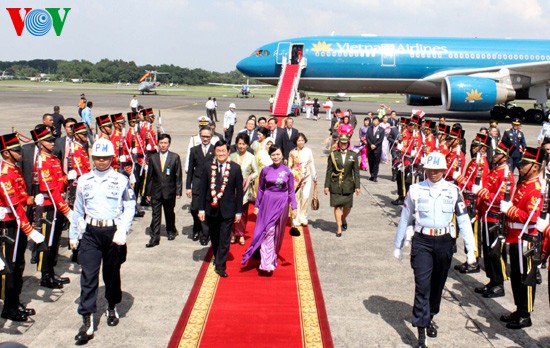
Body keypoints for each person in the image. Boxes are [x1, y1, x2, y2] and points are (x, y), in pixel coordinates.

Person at [393, 152, 477, 348]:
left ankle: (430, 315)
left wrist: (470, 249)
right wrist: (398, 245)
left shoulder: (453, 190)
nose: (433, 173)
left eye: (437, 170)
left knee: (437, 285)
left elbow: (464, 220)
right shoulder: (415, 189)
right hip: (422, 241)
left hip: (444, 241)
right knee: (422, 285)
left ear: (443, 171)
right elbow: (405, 217)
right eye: (430, 170)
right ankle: (421, 333)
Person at [70, 138, 136, 344]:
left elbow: (130, 207)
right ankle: (87, 320)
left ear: (111, 158)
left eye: (104, 158)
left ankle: (111, 305)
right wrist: (74, 235)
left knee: (111, 274)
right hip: (90, 232)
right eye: (97, 158)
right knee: (88, 275)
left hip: (113, 232)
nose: (100, 162)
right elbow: (78, 210)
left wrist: (123, 230)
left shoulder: (121, 180)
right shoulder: (84, 181)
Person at [0, 133, 45, 322]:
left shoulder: (15, 170)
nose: (20, 153)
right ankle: (9, 307)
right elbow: (13, 204)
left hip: (19, 222)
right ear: (6, 153)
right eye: (16, 150)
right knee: (10, 267)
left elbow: (20, 197)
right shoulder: (4, 173)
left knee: (19, 265)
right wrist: (29, 229)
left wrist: (32, 199)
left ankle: (14, 301)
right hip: (9, 225)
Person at [498, 147, 543, 329]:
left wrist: (510, 210)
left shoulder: (536, 188)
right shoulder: (524, 184)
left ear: (535, 166)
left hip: (526, 240)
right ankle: (519, 309)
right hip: (514, 237)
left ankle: (526, 314)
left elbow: (532, 217)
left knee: (526, 278)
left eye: (525, 164)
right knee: (516, 276)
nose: (520, 166)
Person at [242, 145, 297, 274]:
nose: (276, 157)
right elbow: (260, 189)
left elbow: (291, 191)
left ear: (282, 155)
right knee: (267, 231)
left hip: (281, 203)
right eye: (273, 155)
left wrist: (293, 207)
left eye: (278, 154)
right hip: (267, 203)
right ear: (270, 156)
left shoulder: (288, 171)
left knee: (277, 232)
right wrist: (257, 205)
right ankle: (266, 264)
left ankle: (272, 259)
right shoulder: (265, 170)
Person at [470, 141, 516, 298]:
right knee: (488, 251)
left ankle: (499, 283)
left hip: (495, 218)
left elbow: (501, 199)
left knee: (496, 253)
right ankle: (492, 280)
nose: (494, 156)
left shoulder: (506, 174)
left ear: (504, 157)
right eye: (495, 153)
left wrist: (482, 193)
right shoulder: (496, 170)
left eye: (498, 154)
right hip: (486, 215)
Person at [30, 125, 73, 289]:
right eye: (48, 140)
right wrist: (66, 210)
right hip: (49, 207)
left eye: (53, 139)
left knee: (54, 243)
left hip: (57, 205)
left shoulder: (53, 158)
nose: (53, 143)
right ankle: (45, 276)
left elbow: (58, 182)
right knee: (47, 243)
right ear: (40, 143)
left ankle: (51, 273)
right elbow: (51, 189)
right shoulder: (42, 161)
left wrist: (67, 178)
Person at [198, 141, 243, 278]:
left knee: (224, 238)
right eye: (218, 151)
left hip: (228, 210)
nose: (221, 154)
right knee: (215, 237)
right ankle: (217, 257)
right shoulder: (207, 167)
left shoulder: (235, 168)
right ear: (215, 152)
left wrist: (238, 211)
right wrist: (201, 209)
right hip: (211, 209)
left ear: (228, 152)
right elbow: (203, 189)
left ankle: (220, 265)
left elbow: (239, 192)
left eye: (223, 151)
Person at [144, 134, 182, 247]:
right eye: (161, 143)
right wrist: (148, 192)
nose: (163, 145)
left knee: (169, 212)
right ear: (158, 143)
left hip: (169, 191)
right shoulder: (153, 158)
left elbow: (178, 175)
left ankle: (171, 230)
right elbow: (150, 176)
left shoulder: (174, 157)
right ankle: (155, 237)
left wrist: (178, 191)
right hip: (156, 191)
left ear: (169, 144)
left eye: (165, 143)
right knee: (156, 214)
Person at [324, 135, 361, 237]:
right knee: (337, 206)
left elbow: (356, 173)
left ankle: (343, 218)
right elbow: (329, 171)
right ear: (339, 143)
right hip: (335, 184)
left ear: (348, 144)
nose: (343, 145)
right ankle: (339, 227)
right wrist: (326, 185)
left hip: (348, 184)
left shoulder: (353, 155)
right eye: (342, 143)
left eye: (345, 143)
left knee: (347, 207)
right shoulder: (333, 155)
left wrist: (357, 186)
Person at [186, 126, 216, 245]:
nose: (205, 138)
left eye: (207, 136)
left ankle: (205, 234)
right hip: (197, 183)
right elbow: (190, 169)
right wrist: (188, 186)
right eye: (203, 136)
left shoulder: (215, 150)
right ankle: (196, 228)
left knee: (206, 210)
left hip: (210, 184)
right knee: (194, 209)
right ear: (200, 135)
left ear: (211, 137)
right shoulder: (194, 150)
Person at [230, 133, 259, 245]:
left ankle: (240, 233)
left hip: (244, 189)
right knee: (231, 211)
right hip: (232, 189)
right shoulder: (232, 156)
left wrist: (249, 178)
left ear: (247, 145)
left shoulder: (251, 157)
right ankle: (232, 233)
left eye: (243, 144)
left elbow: (256, 172)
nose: (241, 146)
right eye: (239, 143)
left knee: (242, 213)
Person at [288, 133, 317, 227]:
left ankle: (303, 216)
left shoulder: (308, 151)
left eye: (302, 140)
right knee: (296, 198)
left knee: (305, 196)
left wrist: (314, 176)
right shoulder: (292, 152)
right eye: (298, 140)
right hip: (296, 178)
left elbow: (311, 163)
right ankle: (295, 217)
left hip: (307, 177)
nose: (300, 142)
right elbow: (289, 166)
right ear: (296, 142)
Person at [366, 116, 385, 182]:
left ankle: (375, 176)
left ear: (378, 122)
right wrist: (370, 144)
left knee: (376, 163)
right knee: (370, 162)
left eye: (376, 121)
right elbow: (367, 137)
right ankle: (371, 174)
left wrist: (375, 145)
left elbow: (381, 139)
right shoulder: (369, 128)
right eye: (374, 121)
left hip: (377, 149)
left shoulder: (382, 130)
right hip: (370, 148)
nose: (375, 122)